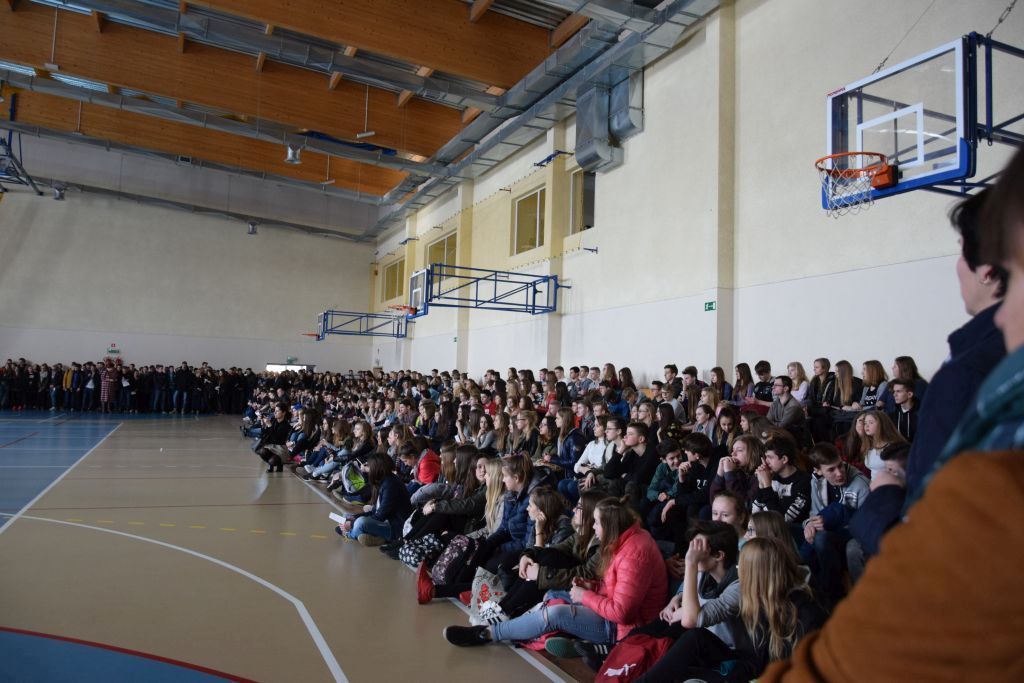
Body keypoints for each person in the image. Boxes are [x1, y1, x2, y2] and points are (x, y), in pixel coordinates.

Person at [442, 497, 668, 653]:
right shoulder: (625, 542)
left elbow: (622, 613)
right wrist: (591, 587)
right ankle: (515, 620)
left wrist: (585, 596)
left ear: (610, 525)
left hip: (623, 629)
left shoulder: (634, 554)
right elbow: (615, 587)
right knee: (552, 593)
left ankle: (487, 633)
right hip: (610, 611)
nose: (594, 527)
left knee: (555, 613)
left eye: (598, 523)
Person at [800, 443, 869, 608]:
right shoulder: (816, 482)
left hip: (855, 532)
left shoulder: (860, 483)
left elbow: (868, 523)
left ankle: (832, 595)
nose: (839, 473)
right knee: (810, 535)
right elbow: (814, 513)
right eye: (831, 470)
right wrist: (808, 525)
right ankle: (819, 592)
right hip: (829, 533)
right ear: (818, 471)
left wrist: (832, 520)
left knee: (834, 512)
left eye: (840, 466)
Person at [752, 436, 811, 526]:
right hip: (763, 527)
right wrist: (761, 483)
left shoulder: (804, 482)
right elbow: (755, 510)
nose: (766, 462)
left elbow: (782, 521)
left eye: (770, 457)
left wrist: (767, 486)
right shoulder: (771, 476)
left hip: (788, 531)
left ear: (784, 459)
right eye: (766, 457)